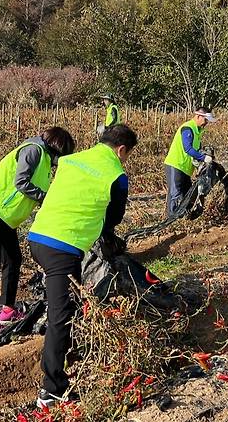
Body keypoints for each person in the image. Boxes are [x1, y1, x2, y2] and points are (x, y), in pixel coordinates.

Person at [27, 124, 138, 409]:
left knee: (71, 302)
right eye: (126, 155)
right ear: (122, 150)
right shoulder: (116, 174)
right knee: (60, 317)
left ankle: (72, 350)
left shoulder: (70, 159)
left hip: (39, 236)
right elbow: (114, 216)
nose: (125, 160)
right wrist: (106, 235)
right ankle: (51, 390)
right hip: (61, 247)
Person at [0, 127, 75, 338]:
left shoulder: (45, 160)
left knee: (13, 259)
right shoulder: (34, 150)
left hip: (5, 216)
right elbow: (21, 182)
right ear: (58, 149)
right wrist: (45, 198)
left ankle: (7, 310)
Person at [163, 107, 217, 217]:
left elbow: (196, 150)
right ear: (198, 116)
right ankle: (171, 221)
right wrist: (203, 158)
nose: (206, 123)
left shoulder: (198, 131)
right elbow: (188, 149)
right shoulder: (188, 128)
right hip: (176, 165)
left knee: (188, 194)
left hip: (186, 169)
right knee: (175, 194)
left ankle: (185, 217)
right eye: (205, 120)